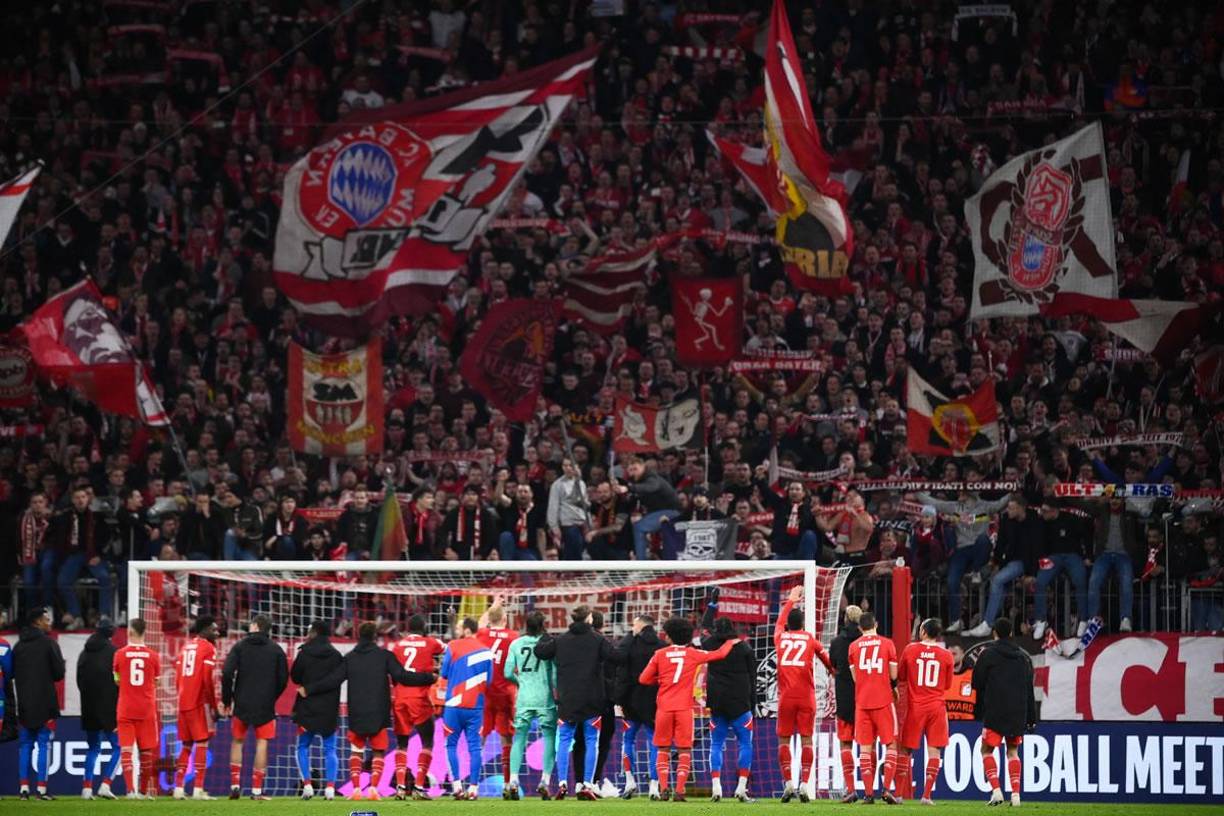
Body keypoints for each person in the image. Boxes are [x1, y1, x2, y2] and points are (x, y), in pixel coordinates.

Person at [327, 621, 436, 801]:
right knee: (378, 751)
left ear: (359, 636)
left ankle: (355, 790)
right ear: (375, 637)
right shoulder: (384, 656)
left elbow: (333, 680)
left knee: (356, 751)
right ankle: (374, 790)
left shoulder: (349, 658)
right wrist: (428, 677)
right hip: (379, 712)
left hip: (357, 712)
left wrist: (311, 688)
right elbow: (402, 676)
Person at [638, 616, 736, 801]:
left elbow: (643, 679)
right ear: (688, 636)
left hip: (664, 709)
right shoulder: (693, 653)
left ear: (668, 636)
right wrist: (731, 641)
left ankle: (664, 787)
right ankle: (680, 791)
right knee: (684, 750)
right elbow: (720, 654)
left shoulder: (660, 654)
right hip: (684, 709)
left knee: (663, 749)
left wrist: (659, 681)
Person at [534, 604, 613, 799]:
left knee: (565, 740)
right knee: (591, 740)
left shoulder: (560, 640)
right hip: (592, 700)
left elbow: (541, 652)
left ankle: (562, 783)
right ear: (589, 620)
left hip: (567, 699)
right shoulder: (598, 640)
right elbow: (615, 656)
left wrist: (544, 637)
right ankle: (587, 783)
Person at [914, 486, 1009, 632]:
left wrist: (1015, 488)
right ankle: (955, 620)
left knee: (984, 539)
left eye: (962, 491)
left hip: (979, 548)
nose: (959, 493)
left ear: (969, 493)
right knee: (952, 581)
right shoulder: (954, 506)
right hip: (961, 550)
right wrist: (912, 488)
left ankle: (976, 571)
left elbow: (1002, 502)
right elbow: (932, 502)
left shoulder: (986, 506)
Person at [774, 585, 834, 803]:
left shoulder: (780, 638)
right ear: (802, 624)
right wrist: (834, 672)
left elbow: (779, 623)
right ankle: (805, 785)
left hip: (786, 698)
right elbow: (827, 660)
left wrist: (790, 600)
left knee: (783, 740)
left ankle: (789, 783)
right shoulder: (810, 639)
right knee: (807, 740)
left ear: (789, 625)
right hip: (806, 696)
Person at [221, 614, 288, 800]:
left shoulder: (240, 646)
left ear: (256, 626)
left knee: (237, 740)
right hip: (265, 705)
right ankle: (257, 790)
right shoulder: (276, 650)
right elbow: (283, 679)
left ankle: (235, 786)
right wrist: (271, 696)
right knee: (262, 743)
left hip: (242, 702)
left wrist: (228, 699)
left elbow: (227, 673)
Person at [971, 619, 1037, 807]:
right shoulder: (1022, 658)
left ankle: (997, 791)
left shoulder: (988, 654)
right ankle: (1016, 796)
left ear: (995, 633)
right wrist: (1031, 718)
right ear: (1010, 634)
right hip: (1017, 711)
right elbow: (1029, 690)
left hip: (995, 711)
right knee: (1013, 752)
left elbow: (977, 683)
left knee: (986, 750)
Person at [700, 590, 757, 803]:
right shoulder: (744, 649)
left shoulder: (710, 644)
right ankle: (741, 789)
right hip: (741, 705)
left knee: (716, 744)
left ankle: (716, 788)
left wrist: (712, 605)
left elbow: (703, 629)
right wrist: (753, 704)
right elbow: (753, 678)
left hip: (717, 704)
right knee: (745, 744)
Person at [897, 618, 954, 804]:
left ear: (922, 631)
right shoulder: (947, 655)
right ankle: (927, 796)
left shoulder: (910, 650)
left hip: (916, 707)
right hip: (937, 707)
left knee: (905, 750)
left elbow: (902, 677)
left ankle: (897, 795)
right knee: (934, 752)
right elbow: (947, 685)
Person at [966, 496, 1040, 637]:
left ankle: (988, 623)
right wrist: (995, 562)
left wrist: (1032, 573)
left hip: (1025, 562)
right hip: (1009, 561)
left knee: (998, 580)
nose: (1008, 510)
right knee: (995, 583)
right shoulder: (1007, 520)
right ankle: (989, 623)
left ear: (1021, 508)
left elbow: (1037, 548)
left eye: (1011, 507)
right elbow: (1001, 542)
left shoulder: (1034, 521)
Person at [389, 614, 445, 799]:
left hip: (399, 699)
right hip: (419, 698)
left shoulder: (398, 645)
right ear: (424, 627)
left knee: (401, 743)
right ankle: (419, 788)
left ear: (408, 628)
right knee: (427, 742)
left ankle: (400, 787)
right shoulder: (430, 643)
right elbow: (447, 648)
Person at [504, 610, 557, 800]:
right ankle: (544, 780)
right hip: (545, 699)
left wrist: (521, 682)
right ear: (543, 625)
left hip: (524, 698)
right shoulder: (550, 644)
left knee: (519, 737)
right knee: (549, 738)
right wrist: (557, 693)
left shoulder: (516, 644)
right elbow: (554, 676)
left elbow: (507, 672)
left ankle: (513, 780)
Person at [847, 611, 899, 804]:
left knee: (865, 749)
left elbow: (854, 678)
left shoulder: (853, 647)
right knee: (891, 744)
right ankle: (886, 790)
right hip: (884, 700)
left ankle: (868, 794)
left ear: (860, 627)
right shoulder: (887, 644)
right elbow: (893, 675)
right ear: (875, 624)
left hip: (862, 702)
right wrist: (892, 687)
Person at [610, 612, 663, 800]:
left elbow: (621, 674)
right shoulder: (662, 647)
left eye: (634, 625)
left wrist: (618, 699)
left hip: (631, 703)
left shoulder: (630, 646)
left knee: (628, 741)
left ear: (639, 626)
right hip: (654, 704)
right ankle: (654, 786)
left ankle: (630, 781)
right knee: (655, 743)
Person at [12, 607, 64, 800]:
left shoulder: (18, 646)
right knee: (44, 746)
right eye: (46, 619)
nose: (49, 622)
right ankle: (41, 789)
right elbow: (59, 673)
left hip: (25, 704)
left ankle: (23, 789)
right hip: (46, 705)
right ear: (37, 621)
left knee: (25, 746)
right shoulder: (48, 643)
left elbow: (10, 673)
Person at [441, 616, 494, 800]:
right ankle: (473, 788)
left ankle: (456, 786)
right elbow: (489, 681)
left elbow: (444, 674)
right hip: (475, 707)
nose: (456, 629)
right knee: (475, 748)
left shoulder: (452, 646)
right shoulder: (487, 652)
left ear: (467, 630)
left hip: (453, 706)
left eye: (459, 626)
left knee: (450, 745)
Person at [44, 486, 112, 630]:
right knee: (63, 581)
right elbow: (52, 535)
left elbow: (107, 538)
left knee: (105, 577)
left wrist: (99, 555)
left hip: (93, 555)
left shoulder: (98, 517)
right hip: (73, 555)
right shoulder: (64, 517)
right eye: (77, 497)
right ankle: (75, 614)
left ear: (88, 499)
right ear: (72, 500)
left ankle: (104, 615)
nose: (80, 500)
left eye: (83, 497)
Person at [291, 621, 343, 801]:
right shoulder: (336, 656)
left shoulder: (304, 653)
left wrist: (309, 686)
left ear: (313, 632)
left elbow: (295, 677)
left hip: (307, 708)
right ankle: (330, 788)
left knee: (302, 747)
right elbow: (337, 680)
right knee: (330, 749)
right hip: (329, 709)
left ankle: (307, 785)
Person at [113, 618, 161, 799]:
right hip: (146, 708)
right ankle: (143, 791)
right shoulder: (154, 655)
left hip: (125, 708)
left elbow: (117, 680)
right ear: (145, 632)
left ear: (129, 632)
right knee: (146, 752)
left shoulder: (119, 654)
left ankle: (130, 791)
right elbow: (156, 681)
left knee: (126, 750)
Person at [173, 616, 220, 799]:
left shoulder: (185, 647)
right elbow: (207, 679)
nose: (217, 633)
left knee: (186, 745)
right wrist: (213, 705)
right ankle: (198, 789)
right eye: (214, 630)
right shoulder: (208, 648)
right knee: (202, 743)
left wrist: (182, 695)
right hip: (198, 702)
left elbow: (177, 678)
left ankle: (178, 788)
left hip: (183, 701)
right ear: (205, 630)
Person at [572, 609, 617, 798]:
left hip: (579, 698)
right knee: (602, 742)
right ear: (602, 626)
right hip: (604, 701)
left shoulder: (577, 644)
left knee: (580, 741)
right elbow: (615, 673)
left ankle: (579, 781)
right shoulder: (607, 645)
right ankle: (593, 781)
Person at [1032, 502, 1091, 640]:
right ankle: (1040, 620)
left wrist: (1088, 556)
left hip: (1072, 555)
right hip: (1052, 557)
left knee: (1080, 579)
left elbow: (1086, 535)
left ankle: (1083, 619)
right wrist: (1041, 560)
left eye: (1045, 511)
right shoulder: (1043, 523)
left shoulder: (1072, 519)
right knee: (1040, 581)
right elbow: (1040, 544)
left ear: (1054, 510)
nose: (1042, 514)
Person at [476, 596, 517, 787]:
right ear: (504, 620)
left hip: (485, 692)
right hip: (505, 692)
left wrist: (494, 605)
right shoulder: (513, 637)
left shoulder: (482, 634)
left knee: (479, 736)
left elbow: (480, 623)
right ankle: (508, 784)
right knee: (506, 737)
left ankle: (472, 784)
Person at [1084, 496, 1141, 632]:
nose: (1114, 502)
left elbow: (1146, 509)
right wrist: (1066, 492)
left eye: (1117, 499)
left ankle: (1125, 618)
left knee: (1127, 583)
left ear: (1123, 500)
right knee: (1094, 582)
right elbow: (1083, 506)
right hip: (1104, 554)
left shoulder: (1130, 512)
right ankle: (1093, 619)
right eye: (1112, 499)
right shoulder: (1102, 510)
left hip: (1123, 555)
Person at [77, 618, 120, 800]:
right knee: (119, 747)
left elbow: (79, 681)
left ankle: (86, 789)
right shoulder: (114, 653)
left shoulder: (84, 653)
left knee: (93, 748)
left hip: (89, 706)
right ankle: (105, 785)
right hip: (109, 708)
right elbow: (118, 682)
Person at [614, 457, 679, 561]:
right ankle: (631, 557)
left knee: (639, 527)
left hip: (671, 512)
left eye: (635, 469)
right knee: (630, 525)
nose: (633, 473)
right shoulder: (635, 482)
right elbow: (631, 500)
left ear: (643, 467)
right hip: (655, 513)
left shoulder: (651, 477)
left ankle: (641, 564)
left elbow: (650, 487)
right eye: (630, 470)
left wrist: (629, 488)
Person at [829, 604, 862, 802]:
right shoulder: (865, 643)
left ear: (845, 620)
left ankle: (850, 789)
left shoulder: (836, 643)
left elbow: (833, 665)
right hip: (865, 697)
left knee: (845, 743)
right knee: (868, 746)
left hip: (844, 698)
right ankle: (868, 790)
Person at [547, 456, 590, 560]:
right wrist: (554, 527)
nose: (567, 468)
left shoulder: (582, 483)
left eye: (570, 465)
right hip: (569, 525)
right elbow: (553, 507)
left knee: (582, 552)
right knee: (573, 554)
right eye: (565, 465)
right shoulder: (557, 485)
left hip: (582, 524)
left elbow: (585, 505)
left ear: (576, 467)